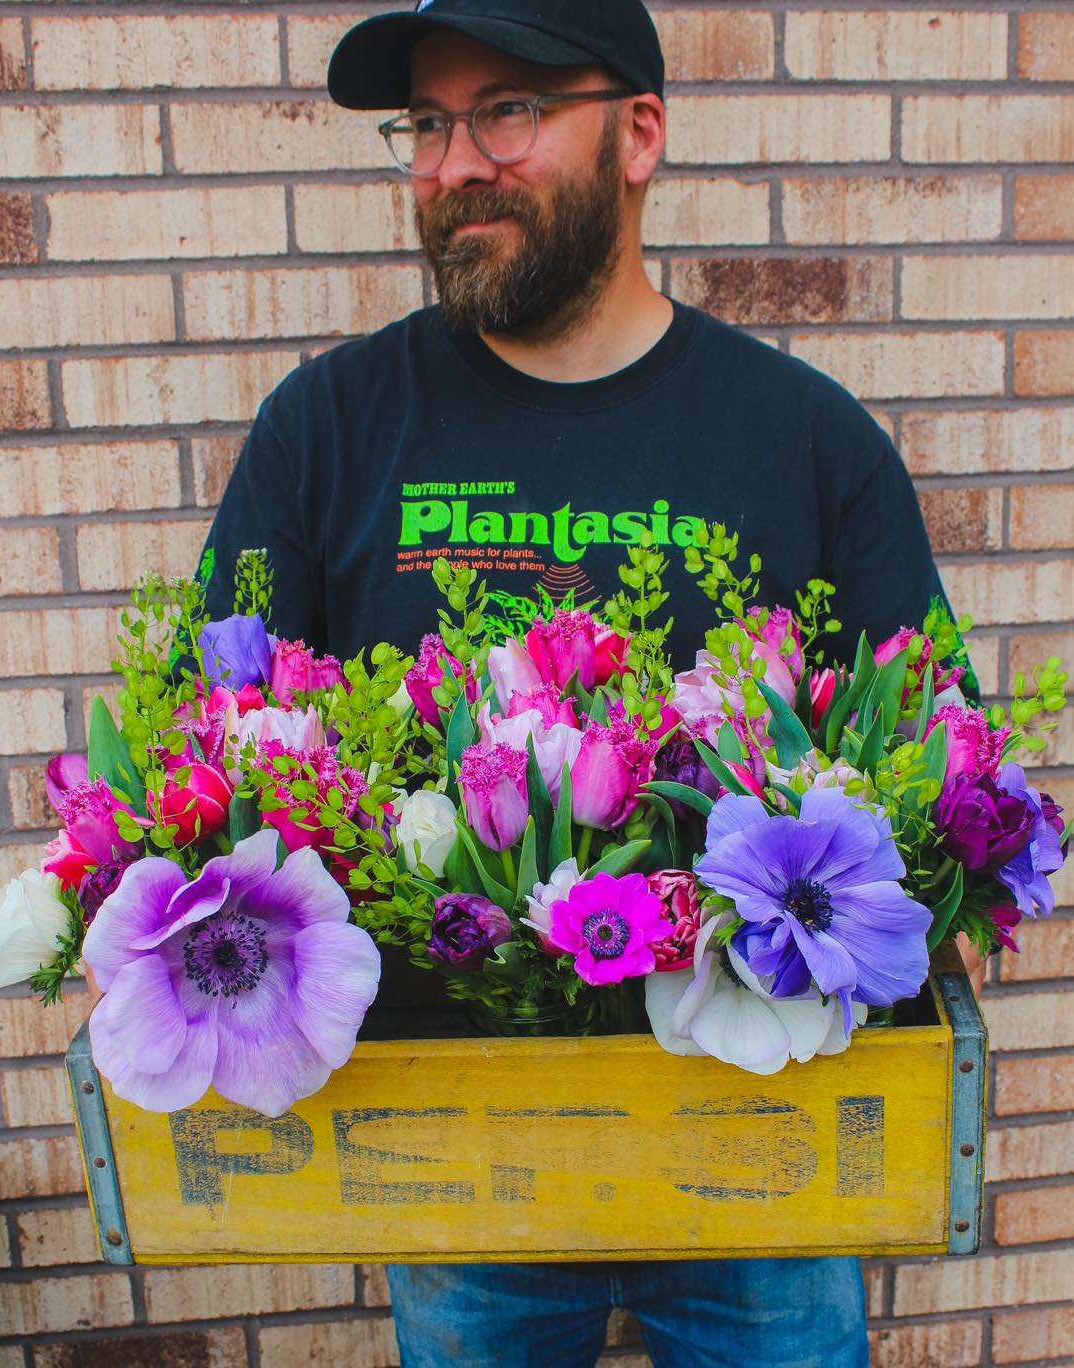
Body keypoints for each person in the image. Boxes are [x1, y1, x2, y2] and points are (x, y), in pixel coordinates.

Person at [202, 1, 951, 1363]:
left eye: (506, 110)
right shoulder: (324, 430)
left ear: (639, 133)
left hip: (759, 1150)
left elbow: (928, 769)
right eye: (426, 124)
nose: (450, 164)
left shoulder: (805, 440)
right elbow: (219, 750)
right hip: (459, 1156)